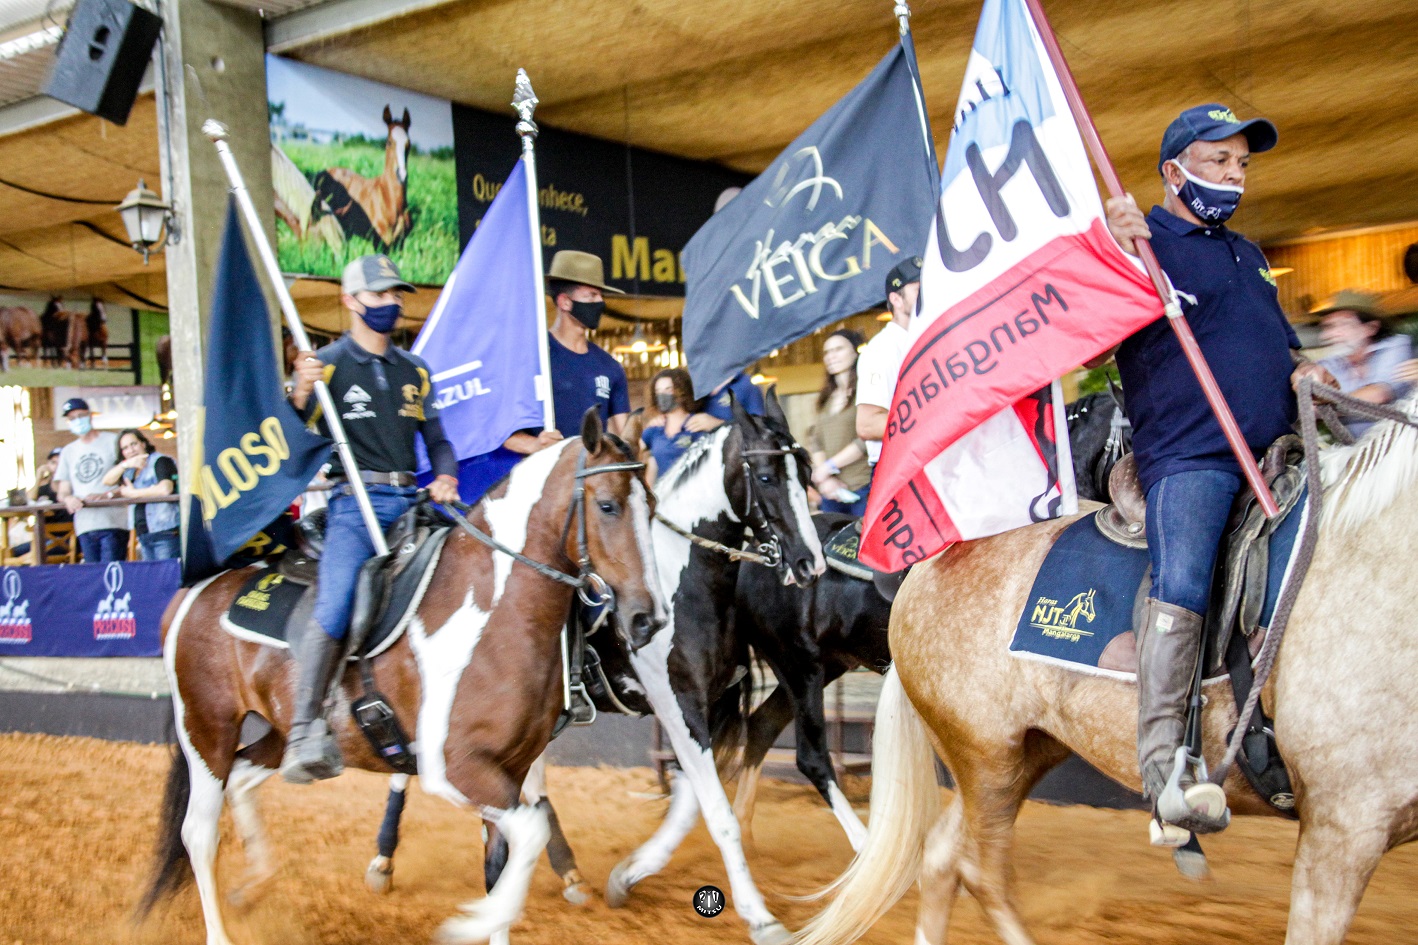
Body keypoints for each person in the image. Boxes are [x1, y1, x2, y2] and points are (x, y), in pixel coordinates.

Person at [1103, 103, 1317, 842]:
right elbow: (1086, 293)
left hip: (1276, 451)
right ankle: (1164, 768)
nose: (1234, 176)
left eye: (1242, 164)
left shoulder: (1251, 255)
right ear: (1174, 171)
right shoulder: (1143, 244)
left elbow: (1281, 353)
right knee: (1185, 580)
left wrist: (1308, 373)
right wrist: (1111, 242)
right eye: (1219, 161)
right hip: (1192, 457)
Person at [284, 254, 460, 783]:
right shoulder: (328, 365)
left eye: (396, 295)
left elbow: (439, 441)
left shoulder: (416, 369)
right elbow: (295, 435)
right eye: (380, 295)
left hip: (414, 503)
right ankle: (304, 729)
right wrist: (299, 390)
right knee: (337, 607)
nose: (392, 304)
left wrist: (447, 476)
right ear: (351, 301)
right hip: (355, 508)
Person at [504, 250, 630, 455]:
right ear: (565, 302)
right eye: (591, 295)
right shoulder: (532, 356)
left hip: (593, 478)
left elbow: (625, 437)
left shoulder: (610, 367)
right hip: (541, 478)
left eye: (600, 295)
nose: (600, 302)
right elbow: (497, 430)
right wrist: (535, 445)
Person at [1309, 290, 1411, 437]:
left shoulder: (1395, 346)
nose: (1331, 334)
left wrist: (1325, 408)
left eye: (1343, 325)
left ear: (1370, 328)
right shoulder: (1329, 363)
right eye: (1329, 326)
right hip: (1357, 450)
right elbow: (1307, 406)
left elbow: (1378, 394)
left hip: (1403, 443)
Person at [856, 257, 923, 466]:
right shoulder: (883, 349)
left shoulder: (923, 340)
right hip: (899, 469)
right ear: (896, 299)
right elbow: (867, 425)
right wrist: (934, 418)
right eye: (919, 290)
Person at [52, 398, 127, 563]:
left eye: (80, 416)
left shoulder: (112, 441)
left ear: (90, 416)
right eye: (72, 418)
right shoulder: (69, 451)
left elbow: (128, 480)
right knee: (93, 575)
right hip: (85, 524)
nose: (77, 421)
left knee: (112, 572)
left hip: (112, 520)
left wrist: (107, 495)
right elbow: (63, 489)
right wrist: (68, 498)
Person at [809, 329, 871, 515]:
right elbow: (816, 440)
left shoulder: (865, 389)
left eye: (838, 349)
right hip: (832, 492)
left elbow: (867, 437)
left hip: (863, 486)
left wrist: (829, 467)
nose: (831, 356)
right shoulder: (826, 398)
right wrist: (824, 477)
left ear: (855, 352)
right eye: (827, 352)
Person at [101, 428, 180, 560]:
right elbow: (107, 480)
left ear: (143, 444)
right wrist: (125, 465)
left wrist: (133, 493)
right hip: (143, 533)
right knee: (152, 578)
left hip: (165, 531)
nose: (131, 450)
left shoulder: (161, 461)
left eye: (134, 444)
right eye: (125, 448)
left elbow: (165, 489)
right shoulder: (130, 470)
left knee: (166, 577)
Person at [642, 368, 709, 484]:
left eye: (668, 389)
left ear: (682, 392)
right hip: (662, 497)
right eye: (658, 391)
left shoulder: (697, 425)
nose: (662, 395)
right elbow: (651, 465)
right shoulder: (654, 429)